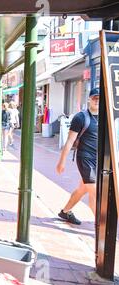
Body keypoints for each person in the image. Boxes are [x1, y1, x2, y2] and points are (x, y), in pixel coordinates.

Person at [56, 88, 100, 225]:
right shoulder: (81, 117)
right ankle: (102, 225)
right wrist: (61, 162)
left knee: (83, 189)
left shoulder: (106, 116)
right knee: (95, 191)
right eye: (94, 98)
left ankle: (65, 211)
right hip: (85, 158)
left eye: (99, 98)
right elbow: (69, 141)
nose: (97, 101)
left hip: (98, 159)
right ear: (89, 99)